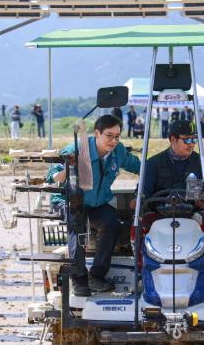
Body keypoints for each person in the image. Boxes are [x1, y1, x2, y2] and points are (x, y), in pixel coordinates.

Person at [46, 115, 141, 297]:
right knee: (77, 224)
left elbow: (141, 167)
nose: (114, 141)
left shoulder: (118, 151)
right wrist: (69, 166)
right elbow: (52, 179)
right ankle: (79, 279)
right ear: (97, 133)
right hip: (69, 200)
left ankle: (96, 276)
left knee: (112, 224)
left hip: (97, 203)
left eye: (117, 136)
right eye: (109, 136)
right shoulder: (76, 149)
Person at [142, 120, 204, 204]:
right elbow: (144, 192)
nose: (191, 144)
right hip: (159, 211)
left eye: (194, 140)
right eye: (187, 140)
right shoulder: (153, 163)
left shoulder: (203, 164)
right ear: (173, 139)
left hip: (193, 211)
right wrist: (137, 200)